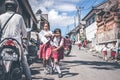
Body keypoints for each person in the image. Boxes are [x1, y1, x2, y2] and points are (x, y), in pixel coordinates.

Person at [0, 0, 31, 80]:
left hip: (3, 42)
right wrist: (24, 42)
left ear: (6, 7)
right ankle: (29, 78)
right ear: (15, 7)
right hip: (16, 43)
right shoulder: (19, 17)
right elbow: (24, 33)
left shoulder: (1, 17)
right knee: (24, 62)